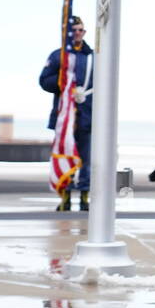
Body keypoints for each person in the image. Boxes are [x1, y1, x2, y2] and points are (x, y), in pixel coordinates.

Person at [39, 16, 93, 211]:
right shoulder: (58, 56)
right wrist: (63, 82)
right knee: (65, 154)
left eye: (81, 30)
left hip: (86, 116)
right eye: (74, 30)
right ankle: (66, 195)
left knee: (86, 159)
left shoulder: (92, 57)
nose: (78, 33)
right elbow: (44, 81)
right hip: (64, 117)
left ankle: (85, 196)